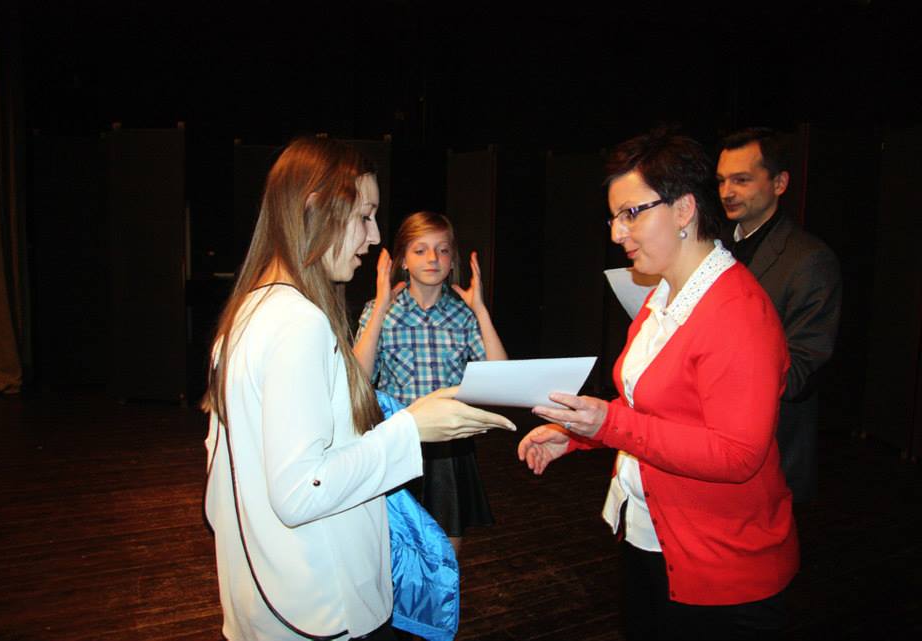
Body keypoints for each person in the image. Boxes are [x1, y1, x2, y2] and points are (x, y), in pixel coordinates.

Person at [202, 137, 514, 641]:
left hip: (266, 596)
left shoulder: (249, 311)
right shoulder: (298, 322)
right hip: (318, 608)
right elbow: (301, 491)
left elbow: (223, 483)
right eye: (364, 216)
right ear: (316, 209)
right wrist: (411, 427)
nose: (374, 238)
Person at [518, 130, 799, 640]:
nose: (617, 233)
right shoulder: (666, 294)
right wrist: (578, 435)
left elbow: (737, 455)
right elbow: (651, 408)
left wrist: (607, 425)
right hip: (653, 537)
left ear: (684, 209)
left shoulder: (737, 313)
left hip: (721, 568)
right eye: (614, 217)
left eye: (631, 213)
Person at [354, 211, 507, 555]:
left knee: (445, 550)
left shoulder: (463, 315)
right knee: (393, 550)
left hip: (449, 448)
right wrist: (379, 309)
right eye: (420, 250)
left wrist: (481, 310)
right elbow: (357, 380)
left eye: (442, 250)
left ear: (452, 260)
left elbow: (501, 380)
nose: (433, 258)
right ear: (403, 260)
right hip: (397, 441)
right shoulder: (380, 311)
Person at [717, 127, 842, 503]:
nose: (727, 192)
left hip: (769, 449)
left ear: (780, 183)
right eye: (721, 180)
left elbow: (802, 371)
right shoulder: (712, 248)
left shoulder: (808, 260)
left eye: (741, 180)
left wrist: (720, 355)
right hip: (709, 440)